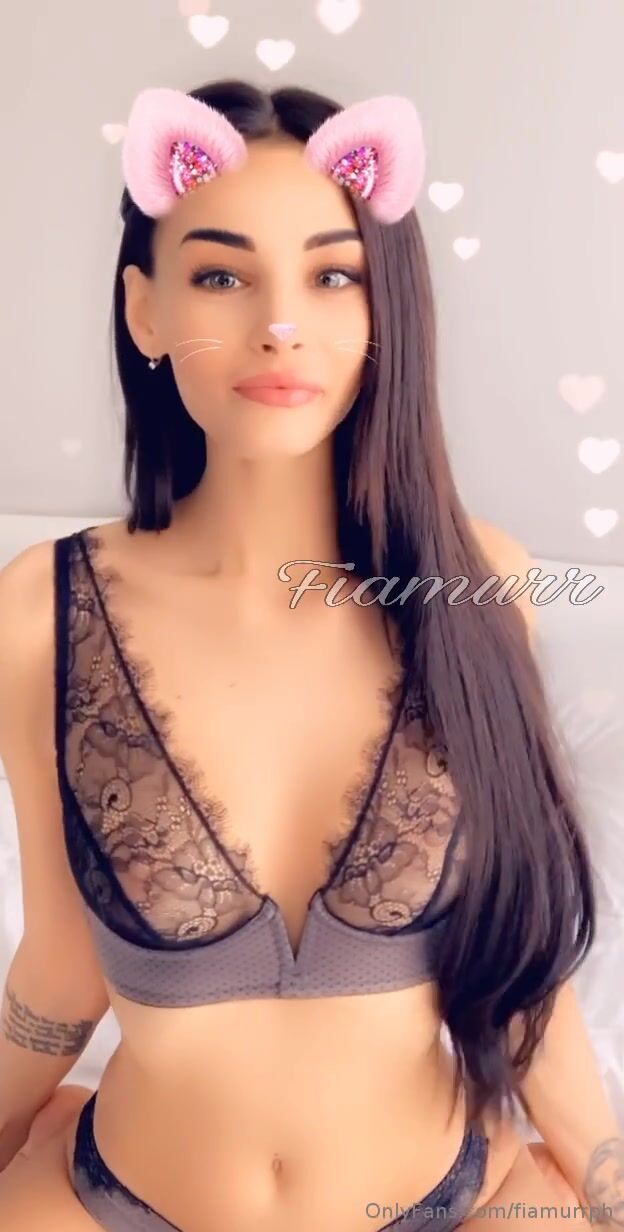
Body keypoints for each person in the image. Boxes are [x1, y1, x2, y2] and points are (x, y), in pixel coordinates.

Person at [0, 76, 616, 1232]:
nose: (280, 323)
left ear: (385, 311)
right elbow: (61, 966)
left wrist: (607, 1174)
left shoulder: (480, 589)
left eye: (332, 275)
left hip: (451, 1197)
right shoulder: (43, 608)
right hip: (119, 1195)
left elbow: (522, 971)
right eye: (220, 275)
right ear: (144, 310)